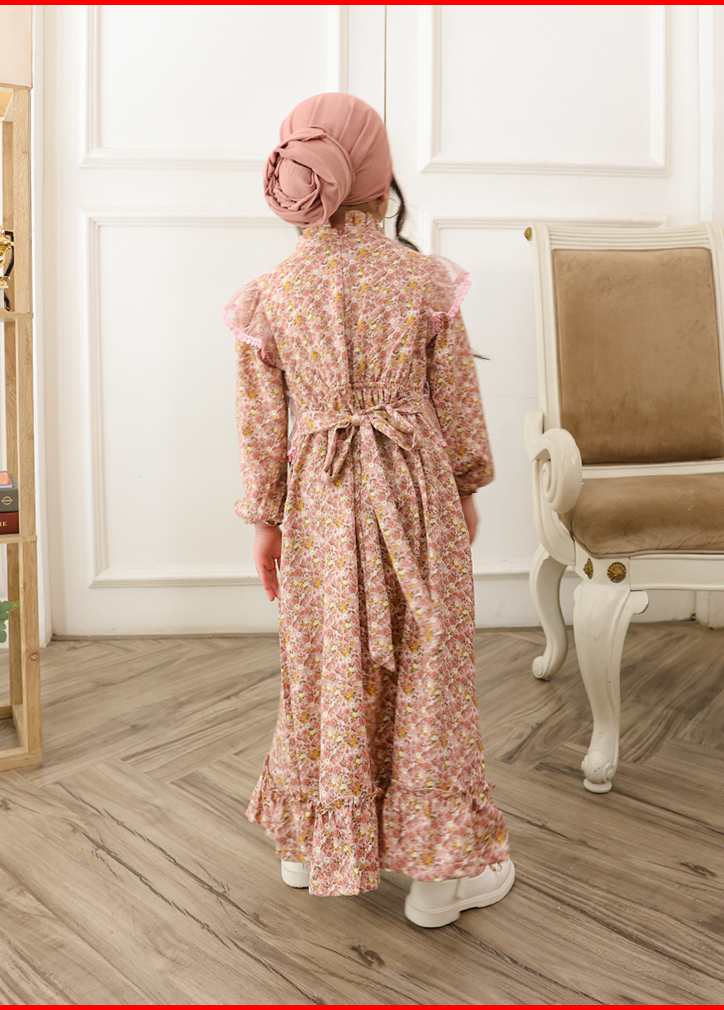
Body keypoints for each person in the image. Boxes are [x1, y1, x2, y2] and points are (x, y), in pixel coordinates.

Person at [222, 93, 514, 928]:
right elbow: (458, 406)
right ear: (381, 184)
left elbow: (261, 432)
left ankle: (309, 841)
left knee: (325, 663)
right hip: (416, 492)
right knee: (427, 667)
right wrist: (465, 489)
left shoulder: (269, 295)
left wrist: (267, 522)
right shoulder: (424, 281)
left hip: (320, 501)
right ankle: (437, 881)